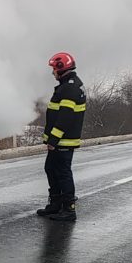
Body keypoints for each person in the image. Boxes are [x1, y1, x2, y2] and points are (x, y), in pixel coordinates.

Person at [37, 51, 85, 222]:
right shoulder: (68, 85)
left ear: (60, 67)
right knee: (51, 168)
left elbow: (65, 118)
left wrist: (53, 140)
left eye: (53, 69)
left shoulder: (69, 88)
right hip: (60, 140)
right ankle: (56, 204)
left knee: (62, 172)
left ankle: (69, 209)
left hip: (63, 140)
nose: (52, 73)